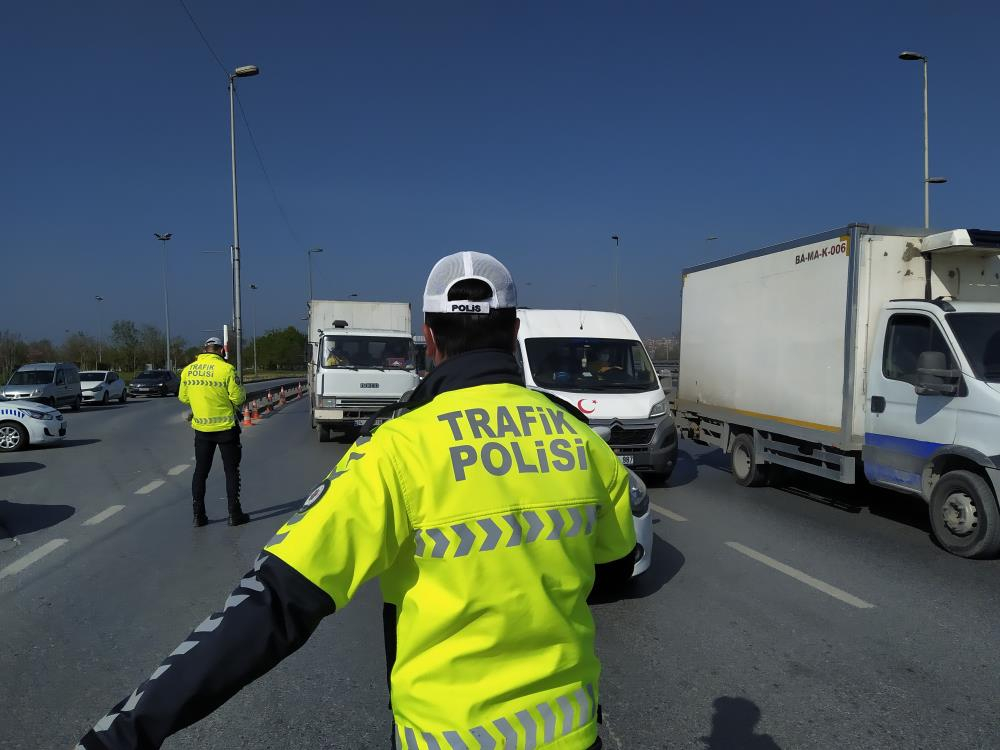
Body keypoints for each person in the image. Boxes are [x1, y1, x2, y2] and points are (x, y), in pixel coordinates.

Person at [78, 252, 637, 750]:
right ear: (514, 331)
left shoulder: (398, 448)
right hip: (573, 731)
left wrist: (127, 731)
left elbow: (276, 604)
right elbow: (612, 570)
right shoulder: (579, 438)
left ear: (430, 337)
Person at [178, 337, 249, 528]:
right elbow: (238, 397)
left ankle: (198, 516)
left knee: (201, 472)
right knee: (231, 471)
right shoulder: (226, 369)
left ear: (204, 350)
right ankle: (234, 514)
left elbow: (183, 397)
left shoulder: (188, 370)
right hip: (226, 428)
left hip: (201, 430)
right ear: (221, 351)